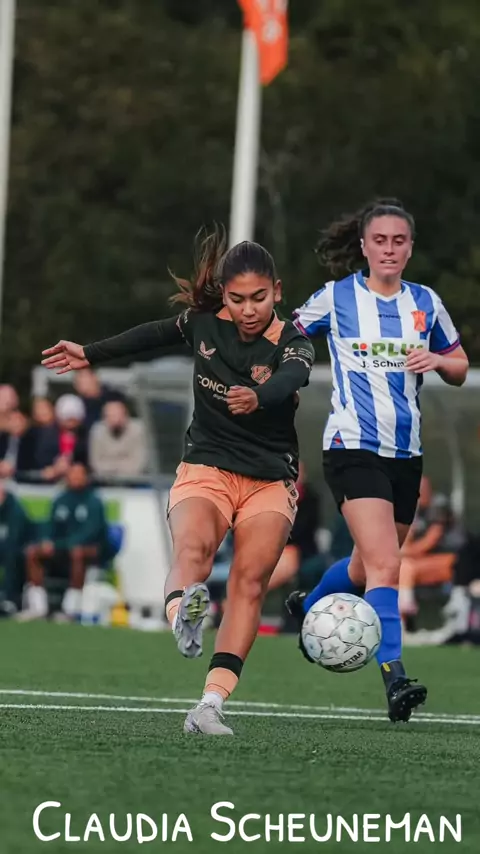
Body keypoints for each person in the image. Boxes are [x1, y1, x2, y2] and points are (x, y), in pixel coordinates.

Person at [41, 227, 315, 735]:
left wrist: (260, 397)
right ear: (224, 295)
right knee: (194, 550)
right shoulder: (203, 323)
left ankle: (210, 704)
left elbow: (290, 379)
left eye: (259, 298)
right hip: (206, 466)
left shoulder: (294, 343)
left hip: (269, 480)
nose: (248, 309)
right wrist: (90, 353)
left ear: (277, 291)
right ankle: (182, 616)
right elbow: (151, 334)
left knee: (249, 582)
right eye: (237, 299)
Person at [287, 198, 468, 722]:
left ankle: (307, 607)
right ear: (364, 246)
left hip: (406, 455)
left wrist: (438, 361)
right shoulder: (336, 297)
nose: (389, 249)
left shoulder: (426, 303)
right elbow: (286, 337)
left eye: (399, 241)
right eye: (380, 240)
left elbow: (459, 365)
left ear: (410, 248)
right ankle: (395, 677)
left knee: (366, 566)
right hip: (352, 447)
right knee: (388, 564)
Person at [21, 462, 109, 621]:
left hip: (89, 550)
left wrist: (64, 544)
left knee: (77, 552)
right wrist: (46, 541)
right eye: (72, 473)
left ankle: (71, 608)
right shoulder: (60, 500)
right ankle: (38, 606)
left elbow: (92, 532)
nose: (75, 477)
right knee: (33, 552)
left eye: (79, 474)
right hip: (60, 548)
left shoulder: (94, 502)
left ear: (86, 477)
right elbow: (50, 525)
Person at [89, 400, 147, 479]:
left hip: (135, 479)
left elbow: (139, 462)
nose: (115, 420)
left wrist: (112, 467)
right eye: (110, 416)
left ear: (126, 416)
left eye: (118, 416)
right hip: (105, 480)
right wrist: (120, 466)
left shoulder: (138, 429)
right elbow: (96, 463)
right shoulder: (97, 431)